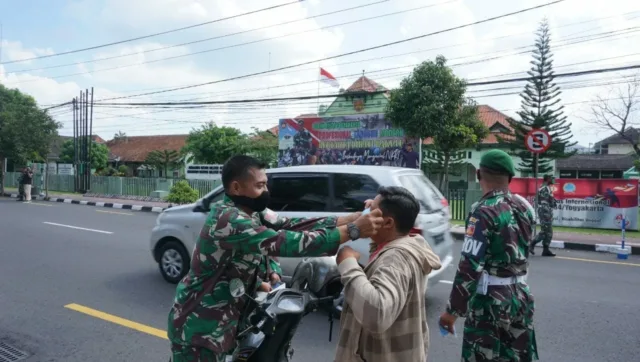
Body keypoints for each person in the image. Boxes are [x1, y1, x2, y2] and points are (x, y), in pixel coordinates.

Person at [167, 155, 384, 362]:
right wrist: (353, 231)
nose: (266, 191)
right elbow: (284, 241)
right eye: (260, 186)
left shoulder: (252, 211)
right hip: (199, 327)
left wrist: (350, 219)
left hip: (224, 320)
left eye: (266, 184)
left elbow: (290, 225)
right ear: (236, 188)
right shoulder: (229, 220)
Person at [439, 149, 538, 362]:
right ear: (510, 177)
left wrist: (452, 311)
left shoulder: (482, 211)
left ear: (478, 174)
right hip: (521, 296)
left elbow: (470, 266)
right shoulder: (525, 207)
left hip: (490, 302)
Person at [334, 186, 442, 362]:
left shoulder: (395, 260)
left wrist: (348, 264)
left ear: (389, 223)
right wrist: (371, 211)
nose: (367, 215)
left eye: (372, 211)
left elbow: (377, 314)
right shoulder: (398, 243)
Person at [530, 174, 557, 257]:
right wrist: (547, 212)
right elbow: (545, 201)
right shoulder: (544, 188)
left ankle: (546, 249)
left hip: (546, 211)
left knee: (549, 232)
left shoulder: (546, 187)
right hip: (545, 211)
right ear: (548, 179)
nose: (553, 180)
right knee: (545, 231)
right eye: (552, 178)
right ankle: (532, 244)